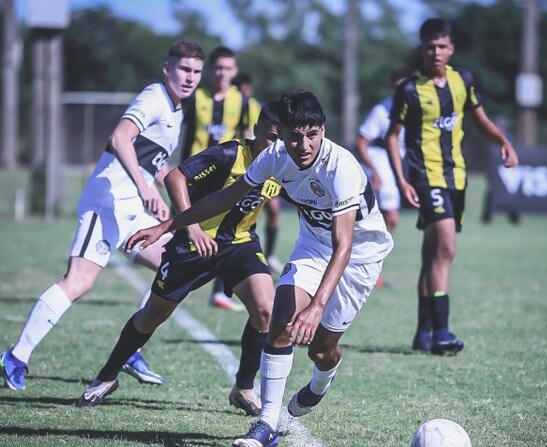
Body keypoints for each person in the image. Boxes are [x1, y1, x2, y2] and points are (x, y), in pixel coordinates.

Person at [124, 89, 394, 447]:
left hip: (359, 255)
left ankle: (319, 383)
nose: (304, 144)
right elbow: (224, 197)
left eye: (313, 134)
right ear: (280, 132)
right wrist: (165, 226)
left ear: (323, 131)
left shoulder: (340, 167)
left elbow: (344, 244)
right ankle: (266, 425)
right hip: (313, 246)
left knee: (321, 350)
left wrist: (315, 308)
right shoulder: (274, 158)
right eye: (295, 136)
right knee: (280, 319)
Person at [0, 41, 205, 390]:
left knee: (178, 263)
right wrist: (145, 190)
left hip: (133, 209)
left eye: (196, 72)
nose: (190, 77)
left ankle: (129, 350)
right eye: (184, 69)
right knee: (78, 282)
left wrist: (159, 188)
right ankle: (16, 356)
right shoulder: (155, 96)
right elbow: (121, 138)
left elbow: (149, 158)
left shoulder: (177, 110)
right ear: (167, 68)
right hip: (107, 201)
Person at [76, 102, 281, 414]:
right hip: (193, 246)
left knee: (265, 310)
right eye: (271, 137)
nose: (276, 146)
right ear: (256, 131)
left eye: (283, 140)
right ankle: (106, 377)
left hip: (240, 244)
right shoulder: (229, 154)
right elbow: (175, 177)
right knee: (152, 316)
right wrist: (194, 228)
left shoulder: (284, 163)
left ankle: (243, 387)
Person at [384, 18, 519, 355]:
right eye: (430, 47)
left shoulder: (463, 81)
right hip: (426, 176)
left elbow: (481, 119)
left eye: (442, 46)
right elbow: (392, 136)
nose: (436, 52)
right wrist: (402, 180)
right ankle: (442, 332)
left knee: (433, 255)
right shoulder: (410, 90)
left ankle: (423, 332)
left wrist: (503, 141)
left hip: (456, 177)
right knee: (447, 248)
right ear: (422, 50)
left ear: (451, 49)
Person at [181, 46, 263, 310]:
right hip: (194, 179)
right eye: (218, 67)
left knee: (230, 231)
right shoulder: (194, 97)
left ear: (235, 71)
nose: (222, 73)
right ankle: (170, 287)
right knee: (186, 241)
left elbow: (252, 135)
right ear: (210, 70)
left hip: (227, 180)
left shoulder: (243, 102)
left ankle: (220, 289)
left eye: (228, 68)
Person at [355, 68, 410, 287]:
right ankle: (368, 269)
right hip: (379, 163)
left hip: (395, 167)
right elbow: (362, 142)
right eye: (397, 87)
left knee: (390, 221)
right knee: (388, 217)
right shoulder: (381, 110)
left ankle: (372, 267)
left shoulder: (415, 109)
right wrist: (373, 171)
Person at [233, 71, 285, 276]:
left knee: (273, 208)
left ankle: (269, 254)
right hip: (242, 161)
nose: (243, 94)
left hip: (265, 164)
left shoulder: (255, 107)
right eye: (239, 91)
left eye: (245, 90)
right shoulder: (224, 104)